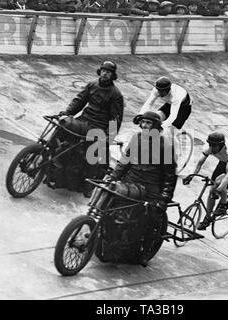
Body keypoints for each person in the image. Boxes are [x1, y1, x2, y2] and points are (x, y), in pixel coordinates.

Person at [108, 111, 177, 266]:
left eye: (148, 123)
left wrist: (164, 198)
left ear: (156, 126)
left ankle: (146, 251)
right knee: (110, 201)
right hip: (131, 180)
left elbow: (170, 175)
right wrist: (113, 177)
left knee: (151, 217)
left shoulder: (165, 145)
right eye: (143, 122)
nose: (144, 126)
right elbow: (124, 161)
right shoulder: (136, 138)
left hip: (151, 186)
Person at [58, 61, 124, 197]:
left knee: (92, 154)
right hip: (83, 120)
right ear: (100, 71)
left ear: (113, 75)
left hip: (98, 126)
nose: (105, 73)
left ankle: (89, 184)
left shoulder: (115, 94)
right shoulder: (92, 85)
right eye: (104, 70)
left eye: (109, 72)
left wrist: (109, 137)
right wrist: (67, 112)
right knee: (63, 126)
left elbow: (115, 118)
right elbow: (79, 101)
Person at [183, 131, 228, 230]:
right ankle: (207, 219)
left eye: (214, 146)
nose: (212, 148)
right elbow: (199, 163)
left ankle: (224, 205)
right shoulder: (208, 148)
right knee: (211, 189)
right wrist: (190, 176)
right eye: (210, 145)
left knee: (218, 182)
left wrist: (219, 189)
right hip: (223, 162)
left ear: (221, 145)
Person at [135, 77, 192, 142]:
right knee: (155, 118)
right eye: (159, 90)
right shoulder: (156, 91)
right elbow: (149, 103)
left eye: (162, 91)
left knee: (169, 132)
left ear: (168, 90)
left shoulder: (176, 96)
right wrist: (141, 115)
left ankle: (173, 148)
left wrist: (162, 126)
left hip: (184, 109)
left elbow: (173, 116)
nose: (160, 93)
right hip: (170, 104)